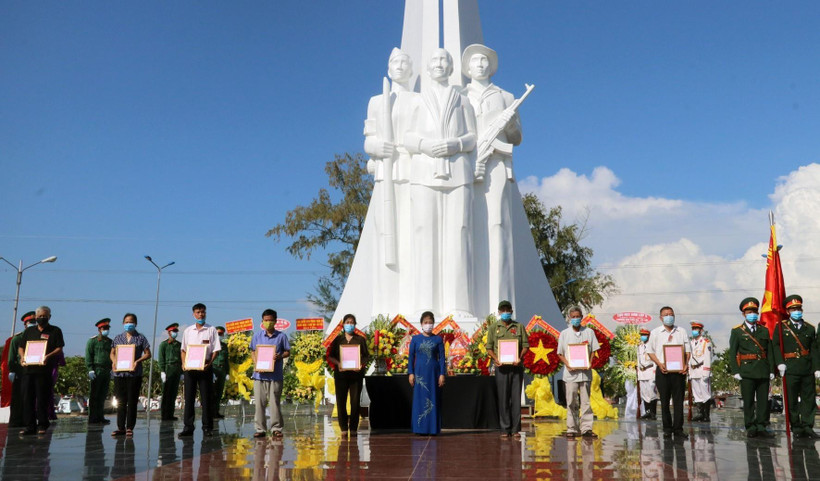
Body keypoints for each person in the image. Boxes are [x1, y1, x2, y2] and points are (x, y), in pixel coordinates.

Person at [404, 48, 477, 316]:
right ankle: (424, 306)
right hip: (424, 172)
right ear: (428, 66)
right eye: (434, 60)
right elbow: (408, 138)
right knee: (424, 234)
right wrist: (426, 145)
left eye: (444, 60)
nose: (439, 64)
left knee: (459, 233)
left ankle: (459, 306)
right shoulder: (417, 101)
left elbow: (472, 137)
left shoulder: (462, 100)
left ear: (450, 67)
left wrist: (455, 143)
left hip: (458, 172)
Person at [462, 44, 523, 313]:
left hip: (497, 164)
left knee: (498, 223)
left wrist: (507, 123)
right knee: (466, 225)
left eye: (485, 60)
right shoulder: (459, 95)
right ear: (468, 67)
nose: (481, 64)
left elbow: (517, 137)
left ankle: (501, 308)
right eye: (476, 61)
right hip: (467, 164)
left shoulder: (506, 96)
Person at [363, 47, 418, 316]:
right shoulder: (376, 101)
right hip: (386, 173)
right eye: (395, 61)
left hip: (412, 172)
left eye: (404, 61)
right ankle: (385, 308)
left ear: (411, 69)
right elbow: (369, 139)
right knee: (385, 240)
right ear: (388, 68)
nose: (399, 66)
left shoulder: (419, 100)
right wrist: (377, 146)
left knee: (411, 238)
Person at [773, 294, 819, 438]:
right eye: (793, 309)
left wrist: (817, 367)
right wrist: (780, 362)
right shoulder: (781, 327)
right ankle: (796, 426)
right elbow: (775, 345)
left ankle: (807, 426)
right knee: (791, 399)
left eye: (798, 308)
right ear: (787, 311)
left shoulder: (809, 328)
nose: (796, 311)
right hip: (790, 367)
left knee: (808, 399)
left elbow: (814, 349)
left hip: (807, 368)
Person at [728, 297, 775, 438]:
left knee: (763, 401)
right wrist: (735, 370)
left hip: (762, 369)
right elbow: (732, 352)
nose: (752, 314)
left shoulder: (764, 330)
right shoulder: (737, 331)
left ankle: (761, 426)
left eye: (754, 311)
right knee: (748, 401)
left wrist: (772, 370)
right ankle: (750, 426)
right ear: (744, 314)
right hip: (746, 371)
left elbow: (770, 352)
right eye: (749, 311)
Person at [646, 306, 691, 439]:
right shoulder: (655, 333)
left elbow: (687, 351)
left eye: (671, 314)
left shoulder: (681, 331)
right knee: (664, 401)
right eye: (666, 314)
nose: (669, 316)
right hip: (662, 371)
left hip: (679, 372)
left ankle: (678, 429)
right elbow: (650, 351)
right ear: (661, 317)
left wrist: (686, 364)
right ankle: (667, 428)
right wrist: (659, 364)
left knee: (678, 401)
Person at [17, 306, 64, 435]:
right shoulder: (29, 331)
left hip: (44, 371)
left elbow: (59, 348)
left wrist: (48, 356)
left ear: (49, 317)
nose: (42, 318)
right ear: (36, 317)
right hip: (28, 370)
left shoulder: (55, 331)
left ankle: (42, 424)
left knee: (42, 398)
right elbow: (21, 347)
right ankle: (29, 426)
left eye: (45, 316)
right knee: (28, 399)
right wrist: (22, 357)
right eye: (40, 316)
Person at [486, 300, 528, 438]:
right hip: (501, 367)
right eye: (502, 310)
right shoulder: (493, 328)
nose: (505, 312)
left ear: (511, 311)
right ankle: (505, 429)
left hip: (516, 367)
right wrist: (495, 359)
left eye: (507, 310)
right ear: (499, 312)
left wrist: (520, 357)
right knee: (503, 398)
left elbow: (525, 346)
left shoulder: (519, 326)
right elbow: (489, 348)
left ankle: (515, 429)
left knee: (516, 398)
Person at [557, 307, 601, 438]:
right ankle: (571, 428)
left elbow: (593, 350)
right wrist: (568, 364)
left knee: (586, 401)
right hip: (570, 374)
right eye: (573, 317)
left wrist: (590, 362)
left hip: (585, 373)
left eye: (578, 316)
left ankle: (586, 428)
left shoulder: (589, 332)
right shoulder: (564, 334)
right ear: (570, 318)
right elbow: (560, 353)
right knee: (571, 401)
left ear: (581, 317)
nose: (576, 319)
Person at [179, 303, 221, 438]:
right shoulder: (188, 331)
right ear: (193, 314)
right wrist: (184, 364)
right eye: (198, 312)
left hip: (205, 367)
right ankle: (188, 427)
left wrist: (209, 364)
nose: (200, 314)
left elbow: (215, 350)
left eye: (203, 312)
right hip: (190, 369)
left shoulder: (211, 330)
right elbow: (183, 350)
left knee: (206, 398)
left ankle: (207, 427)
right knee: (189, 398)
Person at [250, 309, 291, 438]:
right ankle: (260, 429)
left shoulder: (281, 336)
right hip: (259, 376)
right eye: (266, 320)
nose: (268, 323)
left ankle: (276, 428)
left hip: (275, 375)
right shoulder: (257, 336)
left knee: (274, 403)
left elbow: (287, 352)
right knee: (259, 403)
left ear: (275, 321)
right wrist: (256, 363)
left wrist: (280, 356)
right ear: (262, 322)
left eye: (270, 320)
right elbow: (252, 351)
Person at [327, 314, 369, 436]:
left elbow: (366, 356)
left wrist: (361, 364)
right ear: (343, 324)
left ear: (355, 325)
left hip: (356, 375)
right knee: (341, 401)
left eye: (352, 322)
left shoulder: (360, 340)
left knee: (355, 402)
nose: (349, 324)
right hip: (341, 375)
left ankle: (354, 428)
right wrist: (338, 364)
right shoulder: (338, 340)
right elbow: (330, 356)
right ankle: (344, 428)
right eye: (347, 322)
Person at [110, 313, 151, 437]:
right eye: (127, 322)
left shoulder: (141, 338)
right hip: (119, 374)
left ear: (136, 323)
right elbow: (112, 353)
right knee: (120, 401)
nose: (129, 324)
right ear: (123, 323)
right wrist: (114, 361)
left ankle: (130, 427)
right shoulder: (117, 338)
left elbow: (147, 353)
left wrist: (137, 361)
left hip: (134, 374)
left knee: (132, 401)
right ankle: (120, 427)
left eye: (131, 322)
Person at [407, 311, 446, 435]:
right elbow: (411, 357)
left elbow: (442, 358)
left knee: (433, 399)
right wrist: (411, 373)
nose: (428, 325)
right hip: (419, 373)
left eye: (430, 322)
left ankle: (432, 429)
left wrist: (442, 374)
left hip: (434, 373)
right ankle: (419, 428)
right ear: (421, 324)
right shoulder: (415, 339)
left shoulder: (438, 339)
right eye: (426, 322)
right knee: (420, 399)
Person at [5, 311, 35, 428]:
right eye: (31, 322)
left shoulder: (39, 337)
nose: (33, 323)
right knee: (18, 398)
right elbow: (12, 357)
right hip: (20, 372)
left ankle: (30, 421)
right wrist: (12, 370)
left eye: (34, 322)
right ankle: (16, 421)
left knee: (31, 398)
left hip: (34, 371)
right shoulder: (17, 339)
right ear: (25, 324)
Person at [85, 318, 113, 425]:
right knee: (94, 395)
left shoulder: (110, 342)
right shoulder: (92, 341)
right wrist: (90, 369)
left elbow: (112, 356)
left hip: (106, 370)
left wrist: (112, 370)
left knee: (102, 395)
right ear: (99, 329)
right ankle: (92, 417)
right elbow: (88, 356)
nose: (106, 330)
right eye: (104, 328)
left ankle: (100, 416)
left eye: (107, 328)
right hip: (96, 370)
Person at [688, 321, 713, 422]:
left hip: (702, 370)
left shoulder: (706, 342)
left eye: (696, 329)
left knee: (705, 393)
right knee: (697, 393)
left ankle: (706, 415)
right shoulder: (690, 343)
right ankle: (700, 413)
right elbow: (689, 358)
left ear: (701, 330)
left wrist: (706, 372)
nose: (694, 331)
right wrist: (689, 372)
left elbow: (708, 357)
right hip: (694, 371)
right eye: (693, 329)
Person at [158, 323, 182, 421]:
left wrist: (182, 372)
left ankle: (171, 414)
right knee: (166, 393)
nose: (175, 333)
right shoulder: (163, 344)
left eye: (176, 331)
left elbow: (181, 359)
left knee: (173, 393)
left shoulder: (179, 345)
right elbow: (161, 358)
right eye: (174, 331)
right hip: (168, 369)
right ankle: (164, 415)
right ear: (169, 332)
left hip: (176, 370)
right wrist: (162, 371)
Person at [637, 328, 658, 420]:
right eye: (642, 335)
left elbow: (655, 360)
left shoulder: (653, 346)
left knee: (651, 392)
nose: (643, 337)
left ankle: (653, 412)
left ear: (649, 336)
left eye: (645, 335)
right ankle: (647, 412)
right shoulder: (639, 346)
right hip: (642, 372)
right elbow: (638, 360)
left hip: (650, 370)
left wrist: (655, 371)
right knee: (644, 392)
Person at [211, 325, 230, 420]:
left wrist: (227, 373)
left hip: (222, 371)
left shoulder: (224, 346)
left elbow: (226, 360)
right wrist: (210, 371)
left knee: (219, 393)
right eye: (219, 333)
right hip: (213, 370)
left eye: (222, 334)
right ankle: (210, 412)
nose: (220, 335)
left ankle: (216, 412)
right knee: (212, 393)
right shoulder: (211, 345)